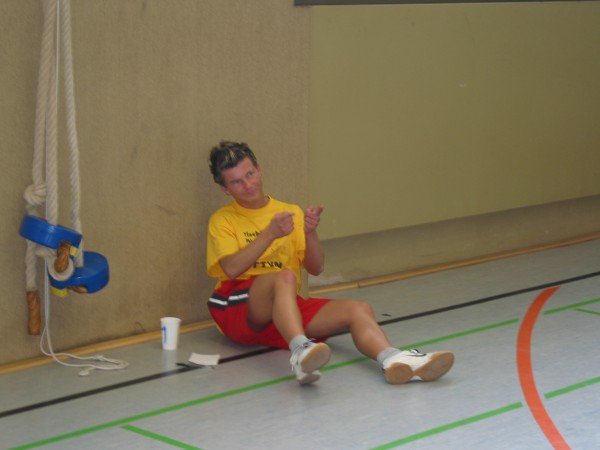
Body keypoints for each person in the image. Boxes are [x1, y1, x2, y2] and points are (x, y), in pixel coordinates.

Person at [206, 141, 454, 385]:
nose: (248, 184)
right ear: (225, 189)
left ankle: (394, 359)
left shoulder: (289, 211)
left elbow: (316, 268)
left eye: (250, 174)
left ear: (259, 170)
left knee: (358, 309)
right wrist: (270, 233)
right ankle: (300, 350)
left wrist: (310, 232)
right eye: (237, 182)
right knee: (285, 276)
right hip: (238, 310)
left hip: (284, 308)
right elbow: (231, 268)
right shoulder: (223, 220)